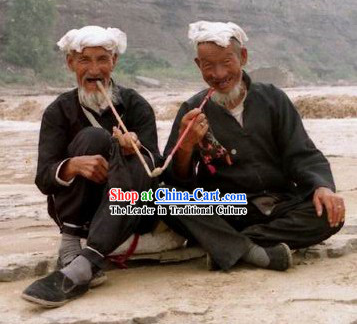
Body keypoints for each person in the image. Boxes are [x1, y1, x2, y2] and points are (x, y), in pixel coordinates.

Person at [163, 20, 345, 272]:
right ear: (198, 66)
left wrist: (322, 186)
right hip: (225, 209)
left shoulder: (273, 99)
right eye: (208, 66)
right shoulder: (192, 110)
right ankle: (251, 250)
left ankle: (227, 246)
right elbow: (175, 180)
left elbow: (302, 153)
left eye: (226, 62)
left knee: (329, 215)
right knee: (165, 197)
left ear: (243, 57)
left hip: (278, 205)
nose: (218, 74)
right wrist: (186, 146)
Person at [22, 25, 160, 307]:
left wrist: (133, 151)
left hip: (126, 206)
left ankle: (84, 262)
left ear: (114, 62)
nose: (94, 69)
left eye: (102, 60)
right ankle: (72, 243)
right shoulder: (58, 111)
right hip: (78, 214)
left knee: (139, 160)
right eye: (85, 60)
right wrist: (71, 166)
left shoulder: (136, 106)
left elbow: (154, 169)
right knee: (94, 137)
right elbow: (43, 178)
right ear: (71, 63)